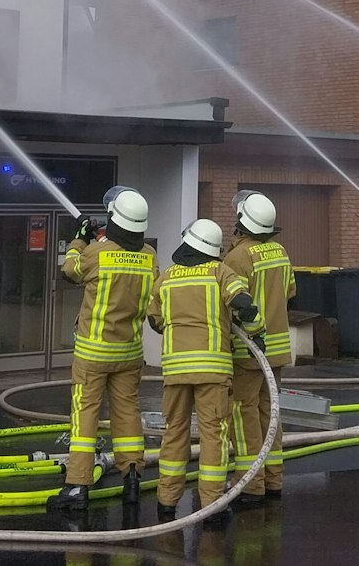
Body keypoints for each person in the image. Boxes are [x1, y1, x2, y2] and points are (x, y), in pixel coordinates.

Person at [51, 187, 157, 512]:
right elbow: (125, 255)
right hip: (129, 354)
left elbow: (70, 270)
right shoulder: (150, 256)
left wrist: (79, 239)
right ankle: (133, 480)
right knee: (127, 416)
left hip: (93, 354)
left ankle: (76, 486)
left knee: (85, 418)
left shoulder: (96, 254)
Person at [149, 218, 259, 524]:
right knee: (214, 434)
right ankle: (212, 504)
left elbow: (154, 321)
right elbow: (244, 303)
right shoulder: (221, 272)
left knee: (174, 432)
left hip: (175, 371)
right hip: (212, 370)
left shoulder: (167, 277)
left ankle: (166, 501)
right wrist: (256, 330)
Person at [222, 192, 296, 507]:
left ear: (242, 222)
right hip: (276, 349)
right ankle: (273, 480)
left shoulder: (238, 258)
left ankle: (250, 485)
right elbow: (290, 291)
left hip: (247, 350)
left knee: (244, 415)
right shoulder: (279, 251)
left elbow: (232, 303)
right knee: (271, 415)